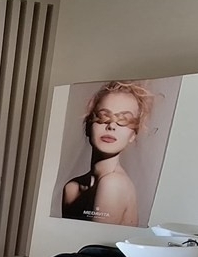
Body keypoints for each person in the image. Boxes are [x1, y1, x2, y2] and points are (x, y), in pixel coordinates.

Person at [61, 80, 154, 226]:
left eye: (124, 120)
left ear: (133, 135)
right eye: (103, 116)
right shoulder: (72, 188)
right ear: (88, 126)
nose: (111, 126)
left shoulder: (113, 184)